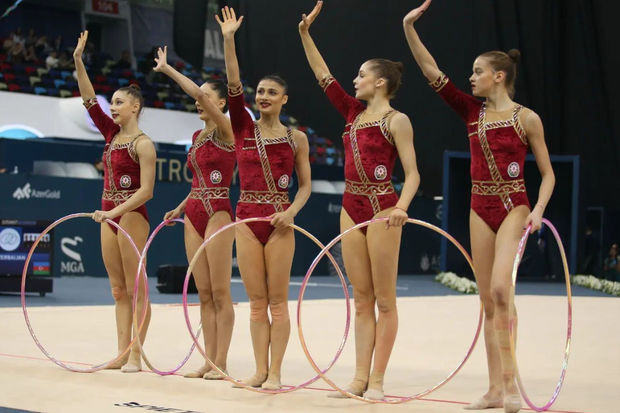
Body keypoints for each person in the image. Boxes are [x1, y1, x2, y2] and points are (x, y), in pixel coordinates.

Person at [402, 1, 555, 411]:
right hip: (479, 206)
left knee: (503, 290)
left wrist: (539, 209)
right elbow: (431, 71)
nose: (470, 77)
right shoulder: (471, 112)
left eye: (477, 71)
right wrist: (409, 28)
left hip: (514, 205)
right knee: (488, 300)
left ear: (498, 76)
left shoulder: (527, 119)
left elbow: (548, 174)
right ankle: (493, 389)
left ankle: (510, 383)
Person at [298, 1, 420, 400]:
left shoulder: (397, 121)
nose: (355, 80)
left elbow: (413, 174)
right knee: (361, 299)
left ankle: (378, 380)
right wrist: (305, 34)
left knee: (384, 301)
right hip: (351, 207)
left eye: (362, 75)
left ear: (380, 82)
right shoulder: (352, 112)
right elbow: (323, 75)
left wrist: (401, 207)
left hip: (383, 208)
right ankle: (359, 378)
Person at [218, 6, 312, 390]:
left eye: (272, 92)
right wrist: (228, 40)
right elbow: (232, 83)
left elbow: (305, 186)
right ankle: (260, 370)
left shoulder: (296, 138)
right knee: (257, 303)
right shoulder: (242, 127)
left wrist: (291, 213)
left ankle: (276, 373)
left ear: (285, 99)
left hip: (279, 222)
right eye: (260, 91)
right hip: (245, 219)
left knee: (277, 302)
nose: (263, 96)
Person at [73, 31, 156, 372]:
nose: (113, 107)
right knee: (118, 290)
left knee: (136, 289)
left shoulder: (144, 144)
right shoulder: (110, 133)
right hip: (108, 215)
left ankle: (136, 354)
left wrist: (114, 212)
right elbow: (89, 99)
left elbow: (146, 191)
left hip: (132, 214)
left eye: (119, 103)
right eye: (113, 103)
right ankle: (121, 353)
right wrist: (78, 61)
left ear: (135, 107)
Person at [154, 46, 236, 380]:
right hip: (194, 212)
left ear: (221, 103)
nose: (198, 101)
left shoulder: (227, 129)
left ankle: (222, 361)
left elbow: (197, 93)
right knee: (203, 293)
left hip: (218, 212)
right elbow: (197, 182)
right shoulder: (196, 136)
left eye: (205, 97)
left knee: (220, 292)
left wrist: (168, 70)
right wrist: (179, 207)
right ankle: (207, 361)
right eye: (198, 98)